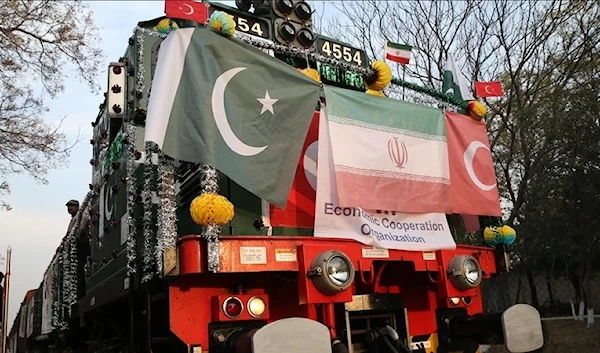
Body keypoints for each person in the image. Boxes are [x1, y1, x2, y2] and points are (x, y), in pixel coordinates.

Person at [65, 199, 91, 300]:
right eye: (68, 207)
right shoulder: (74, 219)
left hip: (81, 245)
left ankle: (81, 293)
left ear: (77, 206)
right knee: (77, 270)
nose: (69, 208)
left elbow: (81, 229)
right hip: (76, 247)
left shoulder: (81, 216)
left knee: (80, 269)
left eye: (72, 206)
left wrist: (77, 236)